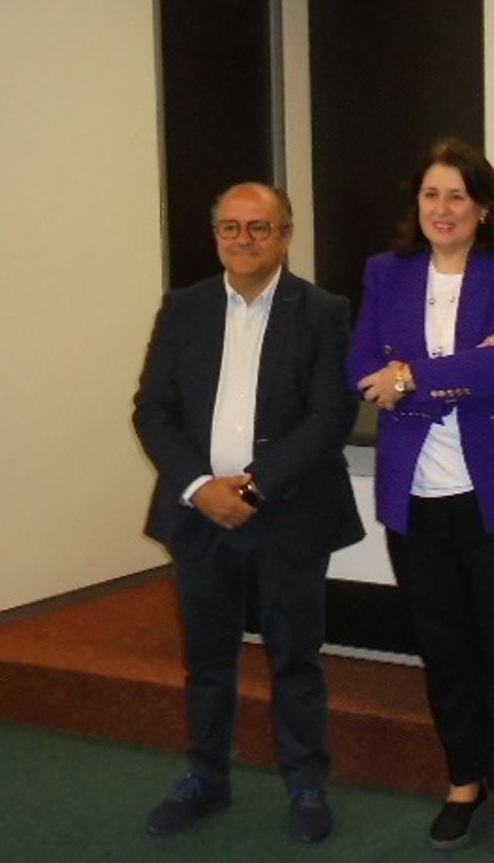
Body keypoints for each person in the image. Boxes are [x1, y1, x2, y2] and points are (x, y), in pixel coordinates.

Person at [347, 137, 494, 859]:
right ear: (417, 203)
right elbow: (361, 368)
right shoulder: (387, 272)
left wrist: (411, 377)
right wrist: (461, 371)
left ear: (484, 207)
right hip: (418, 496)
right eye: (431, 195)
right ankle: (464, 780)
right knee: (444, 649)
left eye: (458, 196)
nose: (443, 209)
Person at [133, 182, 364, 842]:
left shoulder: (323, 311)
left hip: (290, 514)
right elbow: (152, 410)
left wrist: (254, 488)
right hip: (198, 514)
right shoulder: (184, 308)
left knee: (296, 658)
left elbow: (331, 415)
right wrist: (200, 486)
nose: (244, 239)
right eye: (231, 228)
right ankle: (206, 778)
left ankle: (306, 783)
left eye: (259, 228)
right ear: (216, 237)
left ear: (286, 235)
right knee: (208, 658)